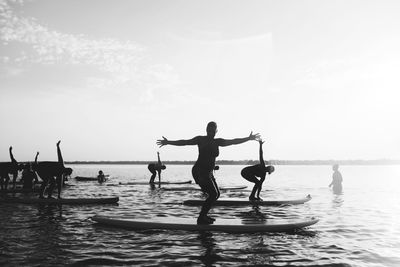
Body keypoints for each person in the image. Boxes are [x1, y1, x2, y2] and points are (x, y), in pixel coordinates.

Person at [157, 121, 260, 224]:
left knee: (216, 194)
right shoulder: (200, 139)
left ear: (216, 131)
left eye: (213, 130)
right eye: (209, 130)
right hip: (199, 171)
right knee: (213, 194)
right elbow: (184, 142)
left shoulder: (217, 142)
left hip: (209, 173)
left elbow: (233, 141)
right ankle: (201, 218)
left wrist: (248, 138)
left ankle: (204, 216)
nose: (210, 132)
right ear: (206, 130)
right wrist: (168, 142)